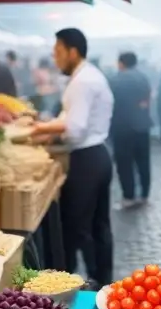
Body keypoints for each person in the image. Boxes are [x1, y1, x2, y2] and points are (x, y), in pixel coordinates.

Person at [32, 28, 115, 285]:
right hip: (98, 155)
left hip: (86, 159)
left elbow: (76, 128)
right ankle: (102, 278)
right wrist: (51, 132)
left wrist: (39, 129)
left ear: (72, 51)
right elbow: (71, 120)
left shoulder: (82, 81)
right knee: (98, 225)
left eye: (58, 52)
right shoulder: (88, 76)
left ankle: (90, 283)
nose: (55, 59)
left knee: (79, 226)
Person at [109, 52, 153, 208]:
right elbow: (147, 99)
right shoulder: (143, 78)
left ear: (121, 63)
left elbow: (110, 103)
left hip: (123, 127)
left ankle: (129, 197)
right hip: (142, 125)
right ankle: (144, 195)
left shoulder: (116, 80)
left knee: (124, 163)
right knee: (143, 162)